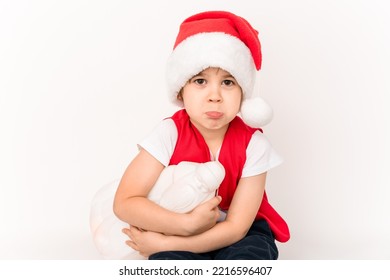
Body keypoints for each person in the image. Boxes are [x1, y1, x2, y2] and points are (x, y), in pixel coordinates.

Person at [113, 10, 290, 260]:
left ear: (243, 93)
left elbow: (236, 227)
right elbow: (125, 202)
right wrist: (182, 228)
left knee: (251, 256)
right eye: (200, 81)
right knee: (170, 263)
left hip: (240, 233)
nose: (214, 96)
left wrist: (163, 244)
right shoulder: (169, 133)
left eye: (228, 82)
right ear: (180, 90)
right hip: (177, 224)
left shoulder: (255, 145)